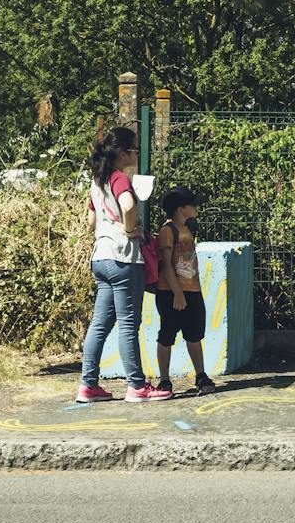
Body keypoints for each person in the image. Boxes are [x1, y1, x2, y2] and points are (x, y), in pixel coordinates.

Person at [79, 127, 170, 402]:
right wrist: (131, 229)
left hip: (101, 256)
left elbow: (91, 221)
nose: (136, 155)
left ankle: (88, 385)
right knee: (129, 323)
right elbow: (129, 206)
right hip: (124, 258)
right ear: (122, 153)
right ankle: (137, 386)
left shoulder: (98, 180)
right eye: (134, 150)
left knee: (99, 324)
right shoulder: (119, 178)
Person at [153, 186, 215, 395]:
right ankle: (164, 379)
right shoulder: (167, 231)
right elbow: (167, 265)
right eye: (192, 204)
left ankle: (201, 374)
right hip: (171, 292)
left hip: (192, 289)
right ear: (180, 209)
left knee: (194, 334)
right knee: (167, 334)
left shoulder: (188, 229)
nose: (196, 207)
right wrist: (177, 293)